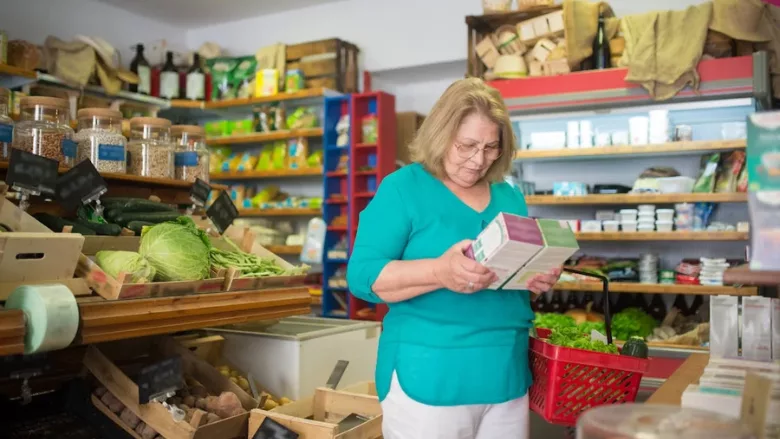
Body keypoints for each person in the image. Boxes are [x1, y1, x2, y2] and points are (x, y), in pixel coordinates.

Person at [346, 77, 562, 439]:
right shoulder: (403, 188)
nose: (479, 160)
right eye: (467, 146)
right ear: (441, 135)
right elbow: (363, 275)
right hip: (431, 375)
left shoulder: (508, 196)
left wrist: (534, 276)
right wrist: (439, 271)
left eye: (491, 147)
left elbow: (508, 277)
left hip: (506, 372)